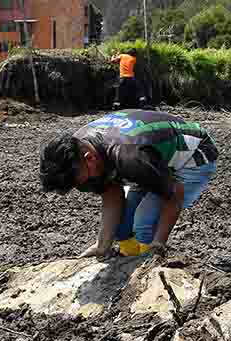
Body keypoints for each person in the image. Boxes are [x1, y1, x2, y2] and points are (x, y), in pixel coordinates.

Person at [40, 109, 219, 257]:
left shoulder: (130, 157)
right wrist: (102, 246)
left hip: (194, 155)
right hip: (150, 159)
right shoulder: (79, 148)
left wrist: (158, 243)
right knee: (121, 227)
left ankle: (148, 268)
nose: (83, 185)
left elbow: (175, 193)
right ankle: (131, 258)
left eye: (81, 180)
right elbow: (111, 193)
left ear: (90, 158)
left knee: (143, 222)